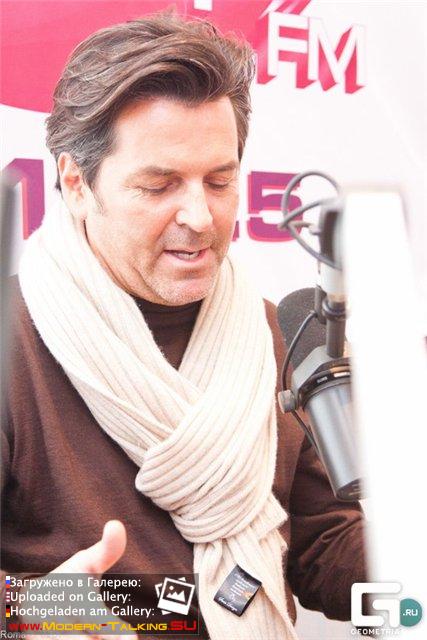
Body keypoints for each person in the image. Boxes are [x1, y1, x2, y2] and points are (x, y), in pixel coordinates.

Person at [1, 11, 367, 640]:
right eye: (159, 185)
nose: (200, 216)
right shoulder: (11, 343)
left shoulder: (275, 331)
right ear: (76, 183)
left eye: (220, 181)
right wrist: (30, 611)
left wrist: (409, 572)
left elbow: (319, 542)